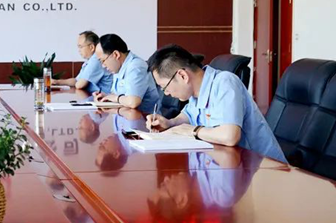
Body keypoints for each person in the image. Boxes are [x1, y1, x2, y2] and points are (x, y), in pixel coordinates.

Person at [145, 44, 287, 163]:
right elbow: (188, 115)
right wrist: (170, 123)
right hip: (230, 166)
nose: (166, 93)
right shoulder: (196, 92)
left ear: (183, 76)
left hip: (264, 170)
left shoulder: (225, 83)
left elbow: (230, 136)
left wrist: (193, 131)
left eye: (164, 87)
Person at [93, 33, 159, 114]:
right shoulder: (118, 67)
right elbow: (118, 95)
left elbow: (133, 102)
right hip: (126, 115)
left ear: (116, 55)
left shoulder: (136, 66)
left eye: (103, 60)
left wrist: (115, 98)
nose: (103, 65)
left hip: (145, 119)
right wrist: (106, 97)